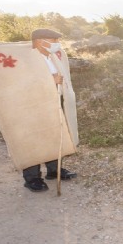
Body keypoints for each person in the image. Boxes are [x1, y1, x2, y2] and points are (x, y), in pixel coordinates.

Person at [22, 28, 77, 192]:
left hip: (53, 100)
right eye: (53, 41)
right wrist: (50, 80)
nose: (56, 44)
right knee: (34, 139)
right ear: (40, 41)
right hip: (33, 105)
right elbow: (22, 83)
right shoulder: (26, 60)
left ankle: (54, 170)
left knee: (54, 135)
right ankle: (32, 178)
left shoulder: (51, 56)